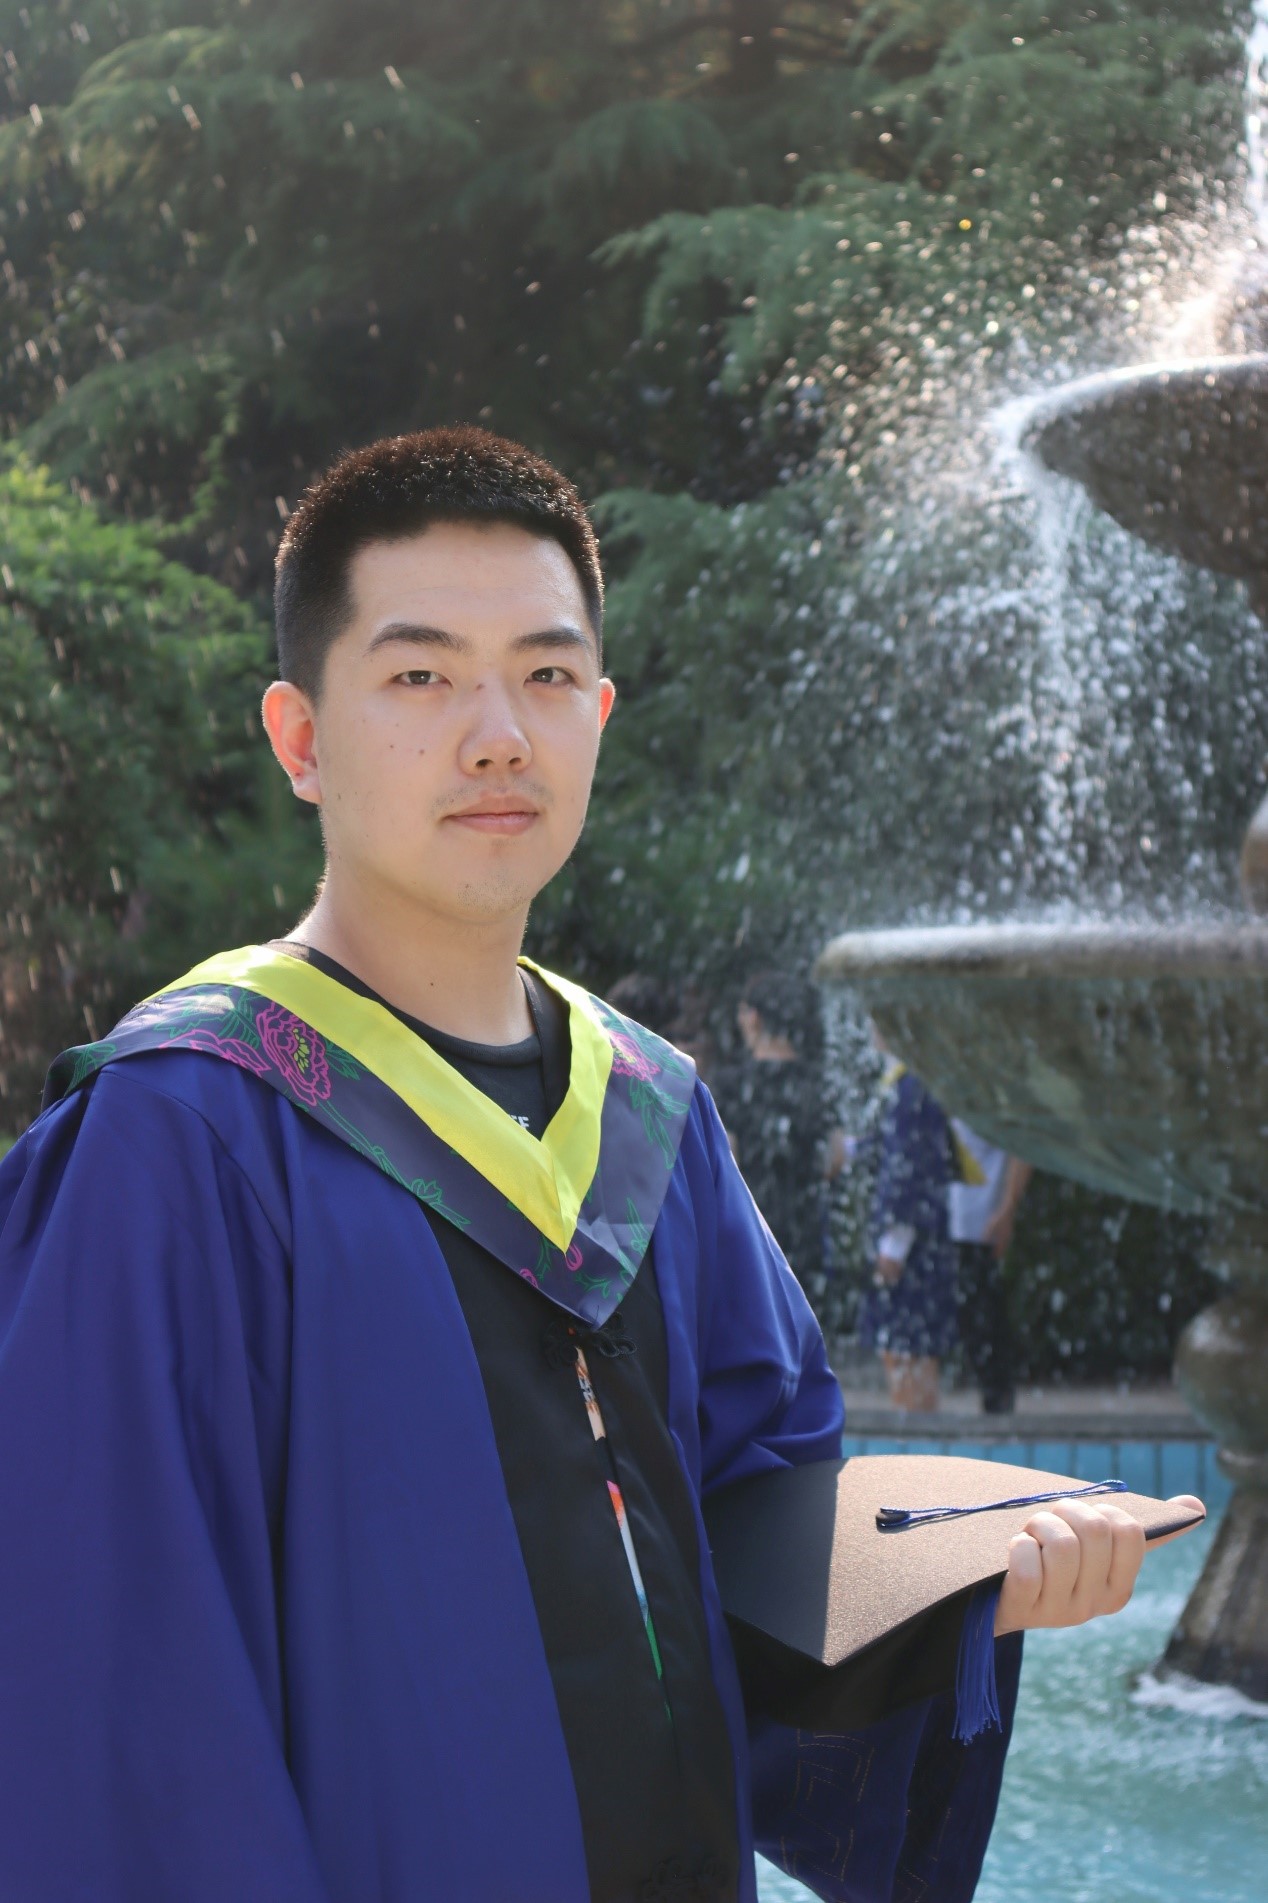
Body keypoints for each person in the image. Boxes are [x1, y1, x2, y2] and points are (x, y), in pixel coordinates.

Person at [0, 427, 1198, 1903]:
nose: (497, 733)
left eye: (548, 674)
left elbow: (752, 1521)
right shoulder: (180, 1133)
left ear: (599, 715)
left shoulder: (649, 1115)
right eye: (421, 676)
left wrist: (961, 1586)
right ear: (300, 738)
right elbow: (106, 1691)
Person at [713, 971, 843, 1306]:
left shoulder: (732, 1085)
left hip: (752, 1230)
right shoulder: (819, 1083)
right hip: (806, 1230)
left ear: (754, 1018)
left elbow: (727, 1163)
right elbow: (835, 1159)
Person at [856, 1047, 959, 1413]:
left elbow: (907, 1168)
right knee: (911, 1349)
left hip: (910, 1244)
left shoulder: (910, 1087)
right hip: (922, 1238)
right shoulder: (913, 1083)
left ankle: (914, 1435)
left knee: (905, 1352)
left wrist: (894, 1244)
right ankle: (918, 1431)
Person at [949, 1121, 1033, 1415]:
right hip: (948, 1226)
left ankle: (998, 1406)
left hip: (981, 1226)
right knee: (968, 1322)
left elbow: (1023, 1147)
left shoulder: (992, 1103)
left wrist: (1007, 1210)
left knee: (986, 1321)